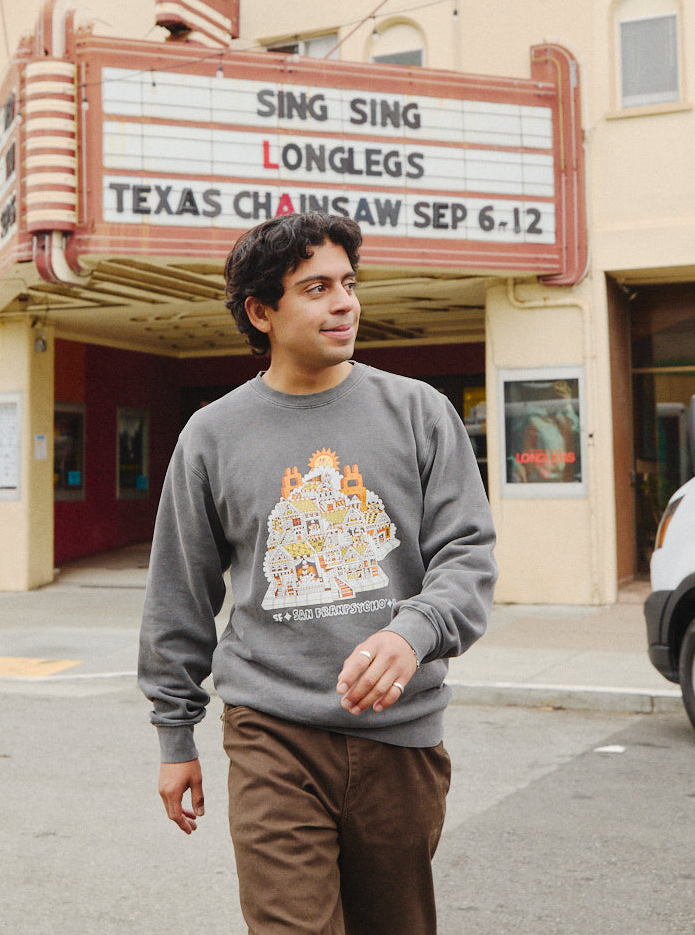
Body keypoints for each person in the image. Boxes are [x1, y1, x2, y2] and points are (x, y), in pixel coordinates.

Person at [138, 211, 497, 935]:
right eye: (317, 288)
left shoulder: (419, 413)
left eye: (349, 283)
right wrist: (176, 738)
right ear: (262, 311)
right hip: (273, 731)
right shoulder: (212, 434)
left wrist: (415, 631)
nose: (344, 303)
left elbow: (468, 554)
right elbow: (180, 592)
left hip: (401, 737)